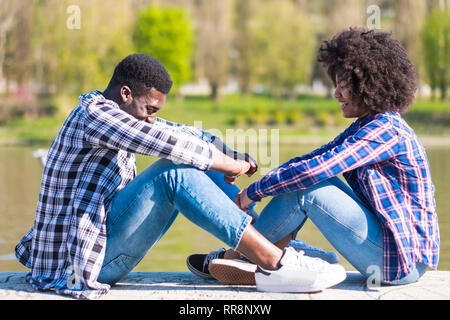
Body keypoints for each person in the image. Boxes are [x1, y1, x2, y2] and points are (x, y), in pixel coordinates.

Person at [15, 53, 346, 299]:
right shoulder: (95, 114)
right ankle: (275, 263)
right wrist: (225, 164)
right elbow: (162, 141)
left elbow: (179, 131)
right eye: (150, 109)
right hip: (79, 265)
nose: (151, 120)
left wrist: (230, 155)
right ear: (125, 94)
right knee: (173, 172)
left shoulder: (125, 114)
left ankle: (267, 242)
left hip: (102, 247)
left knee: (194, 162)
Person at [189, 28, 440, 287]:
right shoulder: (368, 125)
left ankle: (242, 254)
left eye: (344, 86)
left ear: (369, 86)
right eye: (336, 85)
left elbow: (312, 172)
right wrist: (268, 177)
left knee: (307, 187)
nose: (336, 94)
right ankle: (298, 257)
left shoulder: (386, 130)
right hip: (388, 250)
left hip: (399, 262)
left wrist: (253, 192)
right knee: (299, 179)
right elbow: (310, 159)